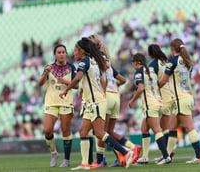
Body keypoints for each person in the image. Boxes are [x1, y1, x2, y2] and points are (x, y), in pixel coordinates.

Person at [60, 37, 134, 170]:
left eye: (76, 50)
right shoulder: (94, 62)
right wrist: (102, 93)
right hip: (93, 102)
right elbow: (102, 81)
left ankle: (126, 152)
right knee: (83, 131)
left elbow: (77, 78)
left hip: (95, 102)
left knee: (100, 133)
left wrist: (66, 89)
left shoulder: (84, 62)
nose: (74, 53)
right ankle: (84, 163)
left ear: (82, 51)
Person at [88, 34, 141, 167]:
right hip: (115, 95)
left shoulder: (95, 58)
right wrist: (114, 87)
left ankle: (102, 159)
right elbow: (122, 80)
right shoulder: (108, 60)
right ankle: (129, 149)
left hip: (106, 95)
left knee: (100, 132)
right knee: (108, 131)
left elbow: (102, 72)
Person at [159, 38, 200, 163]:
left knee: (189, 128)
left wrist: (153, 90)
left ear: (172, 49)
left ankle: (199, 156)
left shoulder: (172, 61)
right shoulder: (188, 62)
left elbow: (163, 81)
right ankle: (166, 156)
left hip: (180, 98)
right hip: (188, 96)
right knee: (172, 127)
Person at [38, 44, 77, 167]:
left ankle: (66, 160)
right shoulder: (49, 67)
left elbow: (76, 86)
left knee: (65, 130)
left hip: (66, 101)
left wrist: (65, 81)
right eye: (59, 52)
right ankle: (54, 153)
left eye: (63, 52)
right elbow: (40, 83)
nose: (61, 54)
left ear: (66, 54)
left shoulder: (71, 67)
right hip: (51, 101)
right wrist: (45, 73)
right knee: (47, 130)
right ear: (55, 54)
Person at [128, 53, 171, 165]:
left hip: (150, 105)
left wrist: (132, 100)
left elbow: (141, 88)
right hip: (158, 102)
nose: (132, 64)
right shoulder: (151, 71)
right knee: (144, 129)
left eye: (133, 62)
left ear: (137, 62)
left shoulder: (139, 72)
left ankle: (166, 156)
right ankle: (145, 157)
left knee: (157, 130)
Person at [147, 44, 176, 164]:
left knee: (157, 128)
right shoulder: (165, 62)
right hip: (171, 96)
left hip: (162, 98)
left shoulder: (153, 65)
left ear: (149, 54)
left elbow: (152, 82)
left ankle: (166, 154)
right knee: (165, 128)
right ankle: (167, 152)